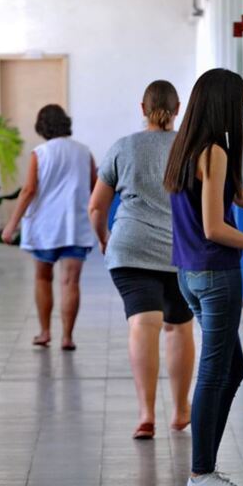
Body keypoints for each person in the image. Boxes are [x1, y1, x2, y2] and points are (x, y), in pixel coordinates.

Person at [163, 69, 243, 486]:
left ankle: (205, 471)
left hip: (188, 275)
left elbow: (238, 197)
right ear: (224, 104)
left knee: (233, 369)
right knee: (212, 372)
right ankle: (201, 474)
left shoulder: (186, 149)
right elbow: (215, 228)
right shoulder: (215, 151)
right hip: (215, 275)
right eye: (240, 103)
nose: (242, 112)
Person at [88, 80, 195, 440]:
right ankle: (181, 409)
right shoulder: (190, 146)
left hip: (130, 248)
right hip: (180, 250)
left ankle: (146, 413)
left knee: (142, 324)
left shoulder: (124, 147)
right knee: (179, 326)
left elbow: (96, 205)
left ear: (142, 108)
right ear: (177, 108)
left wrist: (104, 238)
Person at [1, 105, 96, 351]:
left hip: (45, 228)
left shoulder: (40, 153)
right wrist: (103, 229)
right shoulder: (84, 152)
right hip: (75, 227)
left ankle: (44, 332)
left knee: (43, 278)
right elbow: (97, 190)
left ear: (42, 127)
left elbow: (29, 190)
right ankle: (67, 337)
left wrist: (12, 224)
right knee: (70, 282)